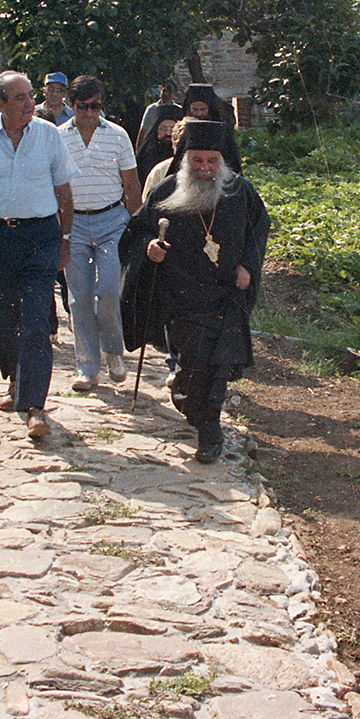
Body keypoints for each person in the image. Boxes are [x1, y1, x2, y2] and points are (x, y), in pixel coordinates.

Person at [120, 120, 270, 463]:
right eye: (197, 161)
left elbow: (259, 228)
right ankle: (187, 395)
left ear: (223, 160)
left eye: (212, 161)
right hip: (182, 296)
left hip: (226, 292)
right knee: (196, 363)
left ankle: (210, 431)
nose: (204, 169)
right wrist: (149, 249)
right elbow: (135, 233)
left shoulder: (240, 192)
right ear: (185, 159)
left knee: (220, 363)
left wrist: (248, 264)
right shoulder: (167, 191)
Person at [0, 71, 79, 440]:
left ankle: (36, 405)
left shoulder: (48, 135)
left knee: (38, 317)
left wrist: (65, 239)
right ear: (1, 104)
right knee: (4, 320)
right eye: (19, 98)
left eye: (29, 96)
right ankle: (14, 381)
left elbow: (64, 190)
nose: (29, 104)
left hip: (40, 235)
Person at [59, 75, 142, 392]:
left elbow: (131, 184)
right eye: (83, 107)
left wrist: (137, 223)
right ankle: (87, 367)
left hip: (111, 221)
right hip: (73, 223)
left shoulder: (118, 136)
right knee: (79, 298)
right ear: (71, 105)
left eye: (96, 106)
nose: (90, 113)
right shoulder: (57, 137)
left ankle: (113, 352)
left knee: (108, 292)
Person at [173, 83, 242, 173]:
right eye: (195, 109)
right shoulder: (183, 126)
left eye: (203, 109)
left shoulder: (221, 128)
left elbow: (232, 160)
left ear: (210, 109)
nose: (199, 114)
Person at [134, 101, 184, 190]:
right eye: (163, 128)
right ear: (156, 130)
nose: (168, 133)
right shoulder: (144, 157)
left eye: (172, 128)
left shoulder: (185, 157)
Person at [135, 81, 178, 148]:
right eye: (164, 91)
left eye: (170, 92)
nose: (166, 94)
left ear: (175, 94)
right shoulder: (152, 109)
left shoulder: (178, 110)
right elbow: (143, 131)